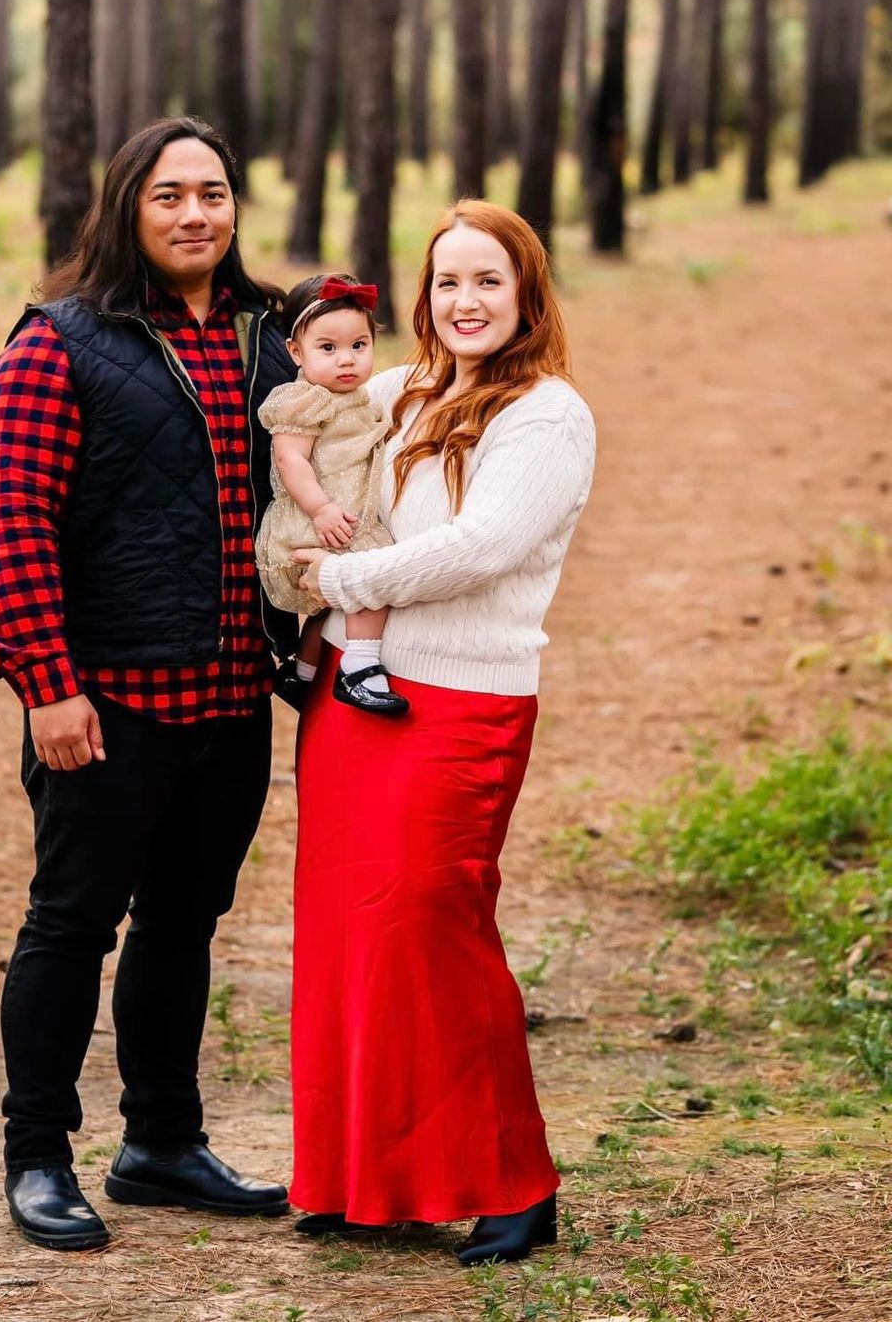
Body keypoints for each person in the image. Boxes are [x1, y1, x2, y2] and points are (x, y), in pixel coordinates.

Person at [0, 117, 299, 1252]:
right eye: (170, 195)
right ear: (128, 207)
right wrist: (47, 684)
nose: (195, 213)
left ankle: (162, 1140)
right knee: (69, 926)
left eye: (213, 192)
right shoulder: (59, 341)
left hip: (230, 702)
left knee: (183, 925)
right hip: (103, 708)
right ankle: (37, 1156)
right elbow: (11, 520)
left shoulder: (272, 340)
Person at [288, 200, 596, 1266]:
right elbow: (301, 419)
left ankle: (513, 1177)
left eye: (487, 282)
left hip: (458, 705)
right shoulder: (402, 389)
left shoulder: (548, 415)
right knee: (349, 936)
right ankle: (363, 1179)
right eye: (447, 282)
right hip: (347, 691)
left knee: (434, 931)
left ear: (526, 295)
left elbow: (481, 546)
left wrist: (333, 578)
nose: (464, 302)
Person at [255, 272, 408, 718]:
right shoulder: (302, 401)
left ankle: (302, 673)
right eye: (328, 348)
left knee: (330, 605)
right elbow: (290, 461)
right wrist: (320, 509)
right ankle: (359, 668)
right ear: (295, 353)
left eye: (359, 346)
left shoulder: (359, 400)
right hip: (311, 523)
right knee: (371, 576)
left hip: (336, 519)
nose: (347, 360)